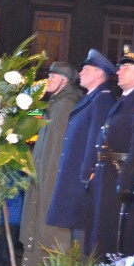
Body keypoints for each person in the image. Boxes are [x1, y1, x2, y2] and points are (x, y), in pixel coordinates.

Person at [85, 45, 134, 257]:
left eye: (125, 67)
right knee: (102, 237)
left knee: (125, 241)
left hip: (126, 178)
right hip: (108, 176)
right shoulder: (125, 100)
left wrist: (125, 180)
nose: (118, 71)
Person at [46, 49, 118, 252]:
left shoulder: (102, 99)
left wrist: (88, 174)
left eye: (87, 69)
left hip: (85, 179)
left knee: (85, 236)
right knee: (77, 232)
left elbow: (98, 139)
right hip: (77, 177)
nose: (82, 72)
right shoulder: (91, 98)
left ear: (98, 74)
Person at [19, 61, 83, 266]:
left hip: (51, 177)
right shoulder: (56, 104)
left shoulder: (65, 105)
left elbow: (56, 149)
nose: (47, 81)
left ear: (64, 80)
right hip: (44, 173)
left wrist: (45, 177)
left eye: (53, 77)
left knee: (49, 225)